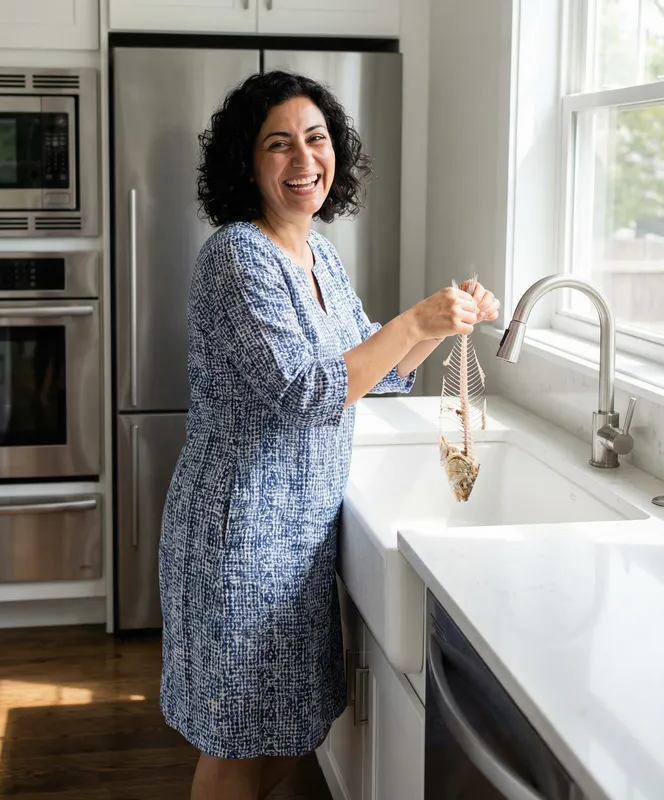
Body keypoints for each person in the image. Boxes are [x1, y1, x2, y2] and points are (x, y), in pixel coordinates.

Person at [158, 70, 499, 800]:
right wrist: (415, 322)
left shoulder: (318, 254)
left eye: (316, 139)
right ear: (246, 165)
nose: (303, 159)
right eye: (278, 145)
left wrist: (441, 324)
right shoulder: (237, 257)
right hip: (240, 538)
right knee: (237, 749)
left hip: (297, 536)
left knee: (288, 732)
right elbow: (305, 391)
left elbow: (373, 368)